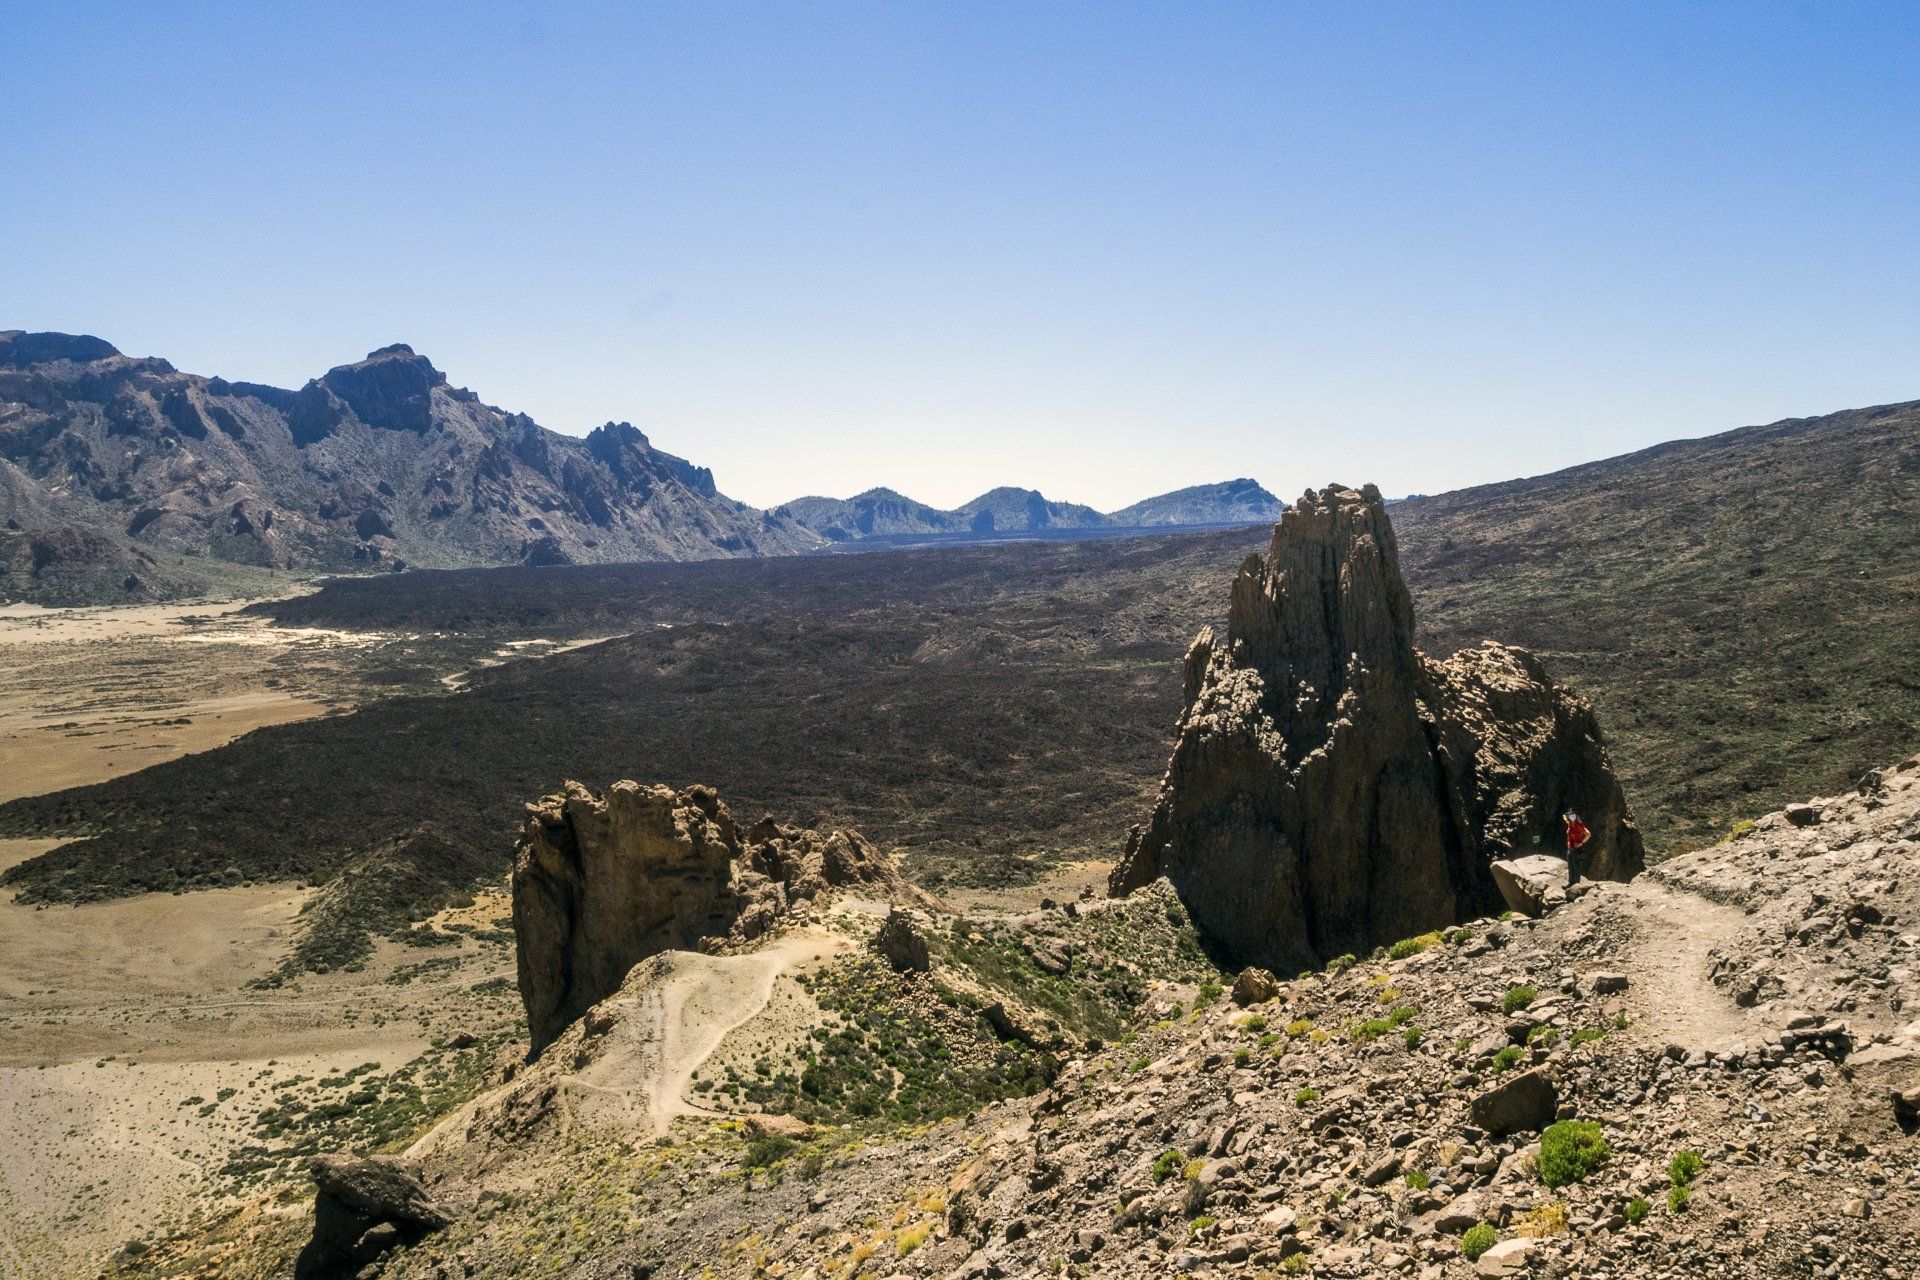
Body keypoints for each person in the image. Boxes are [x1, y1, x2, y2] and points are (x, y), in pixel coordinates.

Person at [1564, 810, 1592, 884]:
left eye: (1573, 814)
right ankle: (1570, 883)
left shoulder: (1578, 825)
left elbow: (1588, 834)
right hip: (1570, 847)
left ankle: (1576, 884)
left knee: (1576, 866)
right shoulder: (1570, 824)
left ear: (1576, 816)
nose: (1572, 816)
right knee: (1570, 867)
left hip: (1576, 848)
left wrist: (1581, 843)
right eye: (1570, 815)